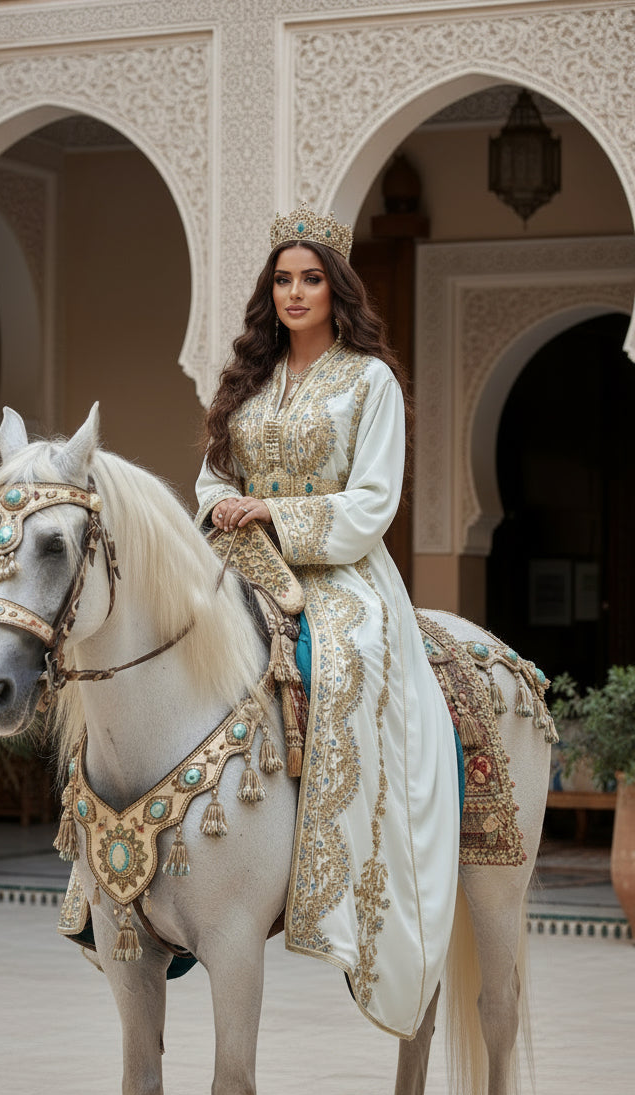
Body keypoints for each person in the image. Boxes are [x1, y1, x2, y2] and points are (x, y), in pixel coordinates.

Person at [194, 204, 460, 1039]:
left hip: (342, 573)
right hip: (242, 557)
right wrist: (228, 508)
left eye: (310, 278)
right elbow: (206, 481)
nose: (295, 292)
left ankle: (340, 877)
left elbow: (374, 502)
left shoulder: (369, 379)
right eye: (283, 279)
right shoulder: (247, 382)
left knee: (343, 662)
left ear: (336, 288)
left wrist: (269, 511)